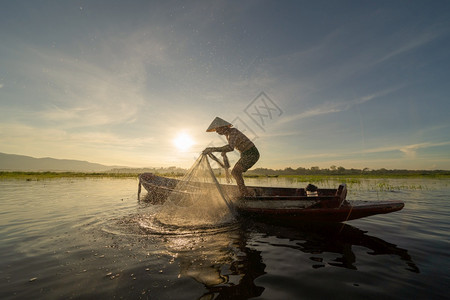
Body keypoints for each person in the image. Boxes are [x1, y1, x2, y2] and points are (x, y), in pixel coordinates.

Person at [203, 117, 260, 196]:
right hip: (244, 154)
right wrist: (224, 152)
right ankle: (250, 191)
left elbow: (230, 147)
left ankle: (245, 193)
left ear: (224, 127)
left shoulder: (233, 132)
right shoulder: (228, 135)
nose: (216, 131)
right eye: (216, 129)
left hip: (251, 153)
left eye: (217, 129)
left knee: (235, 172)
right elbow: (231, 145)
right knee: (235, 173)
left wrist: (212, 149)